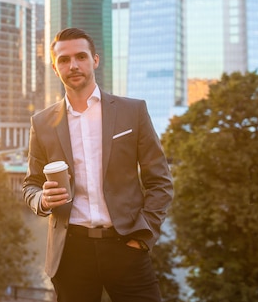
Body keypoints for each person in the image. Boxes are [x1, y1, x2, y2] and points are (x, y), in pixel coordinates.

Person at [23, 27, 174, 302]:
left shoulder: (133, 111)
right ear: (56, 69)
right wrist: (42, 200)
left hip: (126, 245)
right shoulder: (42, 123)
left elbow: (160, 181)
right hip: (70, 252)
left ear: (95, 60)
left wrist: (143, 236)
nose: (74, 65)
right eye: (64, 60)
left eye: (81, 56)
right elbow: (30, 185)